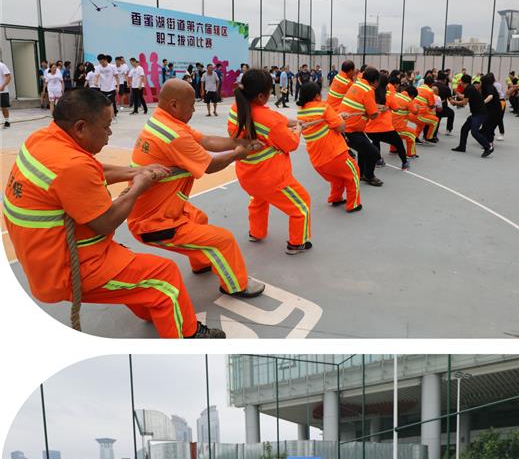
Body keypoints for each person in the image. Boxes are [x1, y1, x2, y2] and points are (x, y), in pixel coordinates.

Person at [4, 88, 223, 338]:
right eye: (107, 126)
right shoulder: (72, 166)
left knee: (136, 268)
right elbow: (106, 222)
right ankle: (190, 335)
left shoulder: (43, 140)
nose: (110, 133)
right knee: (165, 275)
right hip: (67, 268)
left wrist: (134, 171)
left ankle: (155, 305)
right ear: (81, 128)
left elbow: (91, 170)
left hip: (43, 257)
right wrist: (138, 186)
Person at [128, 78, 263, 298]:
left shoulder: (164, 122)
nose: (193, 110)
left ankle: (201, 263)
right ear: (174, 105)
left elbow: (206, 140)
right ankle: (236, 285)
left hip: (162, 208)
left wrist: (241, 143)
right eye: (191, 105)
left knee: (199, 218)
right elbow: (210, 165)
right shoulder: (174, 136)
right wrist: (239, 154)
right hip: (153, 224)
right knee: (224, 240)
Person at [228, 69, 314, 254]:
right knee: (301, 205)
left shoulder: (236, 108)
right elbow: (291, 144)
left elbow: (275, 120)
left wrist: (293, 123)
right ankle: (297, 243)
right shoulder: (268, 120)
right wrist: (298, 129)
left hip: (248, 176)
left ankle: (256, 232)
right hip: (271, 179)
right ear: (261, 96)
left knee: (258, 200)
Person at [296, 82, 363, 213]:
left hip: (318, 162)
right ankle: (353, 204)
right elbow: (341, 127)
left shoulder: (301, 113)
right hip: (335, 155)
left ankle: (335, 198)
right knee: (353, 173)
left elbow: (325, 122)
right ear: (317, 96)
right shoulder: (323, 107)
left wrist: (337, 117)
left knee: (337, 178)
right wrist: (341, 119)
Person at [449, 75, 493, 157]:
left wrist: (454, 102)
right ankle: (462, 147)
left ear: (463, 82)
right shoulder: (470, 88)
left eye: (460, 81)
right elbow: (465, 97)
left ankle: (488, 147)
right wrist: (457, 94)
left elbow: (464, 102)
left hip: (479, 114)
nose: (460, 83)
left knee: (474, 132)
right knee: (464, 129)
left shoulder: (469, 88)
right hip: (476, 113)